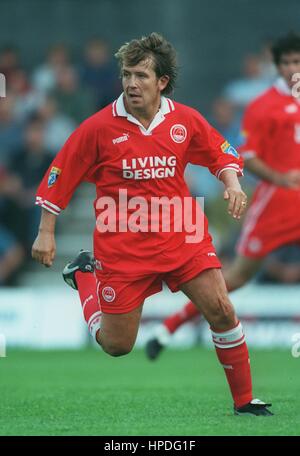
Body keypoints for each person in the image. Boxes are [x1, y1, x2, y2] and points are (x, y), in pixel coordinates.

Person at [31, 32, 272, 416]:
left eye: (141, 75)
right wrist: (46, 231)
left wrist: (232, 183)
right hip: (123, 245)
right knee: (117, 345)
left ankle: (245, 401)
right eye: (127, 74)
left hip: (183, 234)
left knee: (222, 310)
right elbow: (61, 172)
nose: (131, 83)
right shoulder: (98, 127)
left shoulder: (184, 120)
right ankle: (84, 277)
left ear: (162, 82)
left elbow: (220, 153)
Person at [146, 31, 300, 363]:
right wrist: (280, 178)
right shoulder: (262, 107)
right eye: (286, 62)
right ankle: (171, 325)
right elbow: (248, 156)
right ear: (276, 66)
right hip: (278, 203)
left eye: (297, 61)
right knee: (238, 275)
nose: (292, 68)